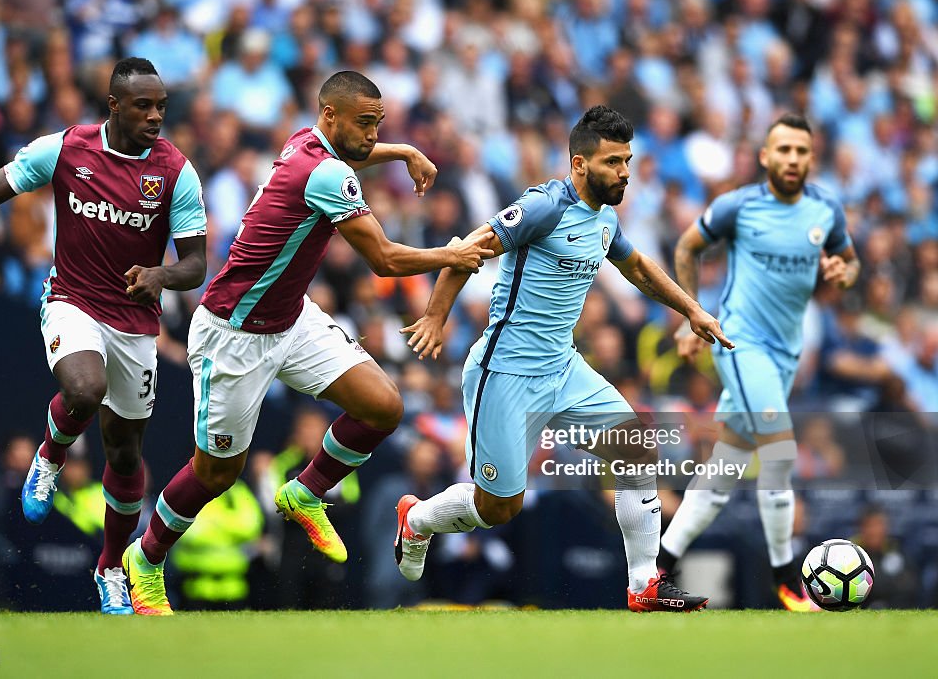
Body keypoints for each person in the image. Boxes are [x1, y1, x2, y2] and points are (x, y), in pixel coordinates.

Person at [121, 70, 495, 615]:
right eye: (365, 124)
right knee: (216, 473)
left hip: (291, 320)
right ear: (330, 117)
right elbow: (384, 260)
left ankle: (305, 492)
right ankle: (146, 559)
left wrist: (402, 150)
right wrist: (452, 256)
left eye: (378, 124)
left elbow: (353, 154)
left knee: (383, 406)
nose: (372, 135)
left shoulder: (306, 141)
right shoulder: (323, 173)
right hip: (234, 335)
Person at [395, 105, 732, 612]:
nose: (624, 172)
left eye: (628, 161)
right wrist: (436, 317)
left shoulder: (605, 217)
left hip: (563, 367)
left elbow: (637, 266)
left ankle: (645, 585)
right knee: (499, 508)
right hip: (505, 372)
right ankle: (417, 520)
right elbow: (471, 249)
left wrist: (692, 310)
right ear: (579, 164)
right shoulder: (543, 207)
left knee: (637, 448)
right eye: (613, 162)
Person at [0, 58, 208, 615]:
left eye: (161, 105)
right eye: (144, 106)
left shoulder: (176, 172)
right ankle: (51, 454)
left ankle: (111, 567)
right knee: (84, 389)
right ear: (113, 104)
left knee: (126, 456)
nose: (157, 116)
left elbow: (196, 265)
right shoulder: (65, 149)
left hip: (135, 324)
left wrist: (161, 274)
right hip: (73, 302)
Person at [660, 113, 860, 611]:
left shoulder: (825, 211)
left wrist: (843, 271)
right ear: (765, 157)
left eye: (802, 151)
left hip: (785, 355)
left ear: (811, 159)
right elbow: (688, 246)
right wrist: (694, 315)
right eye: (784, 150)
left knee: (724, 470)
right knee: (781, 453)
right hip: (739, 344)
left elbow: (851, 263)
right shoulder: (739, 206)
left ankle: (656, 567)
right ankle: (787, 581)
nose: (793, 159)